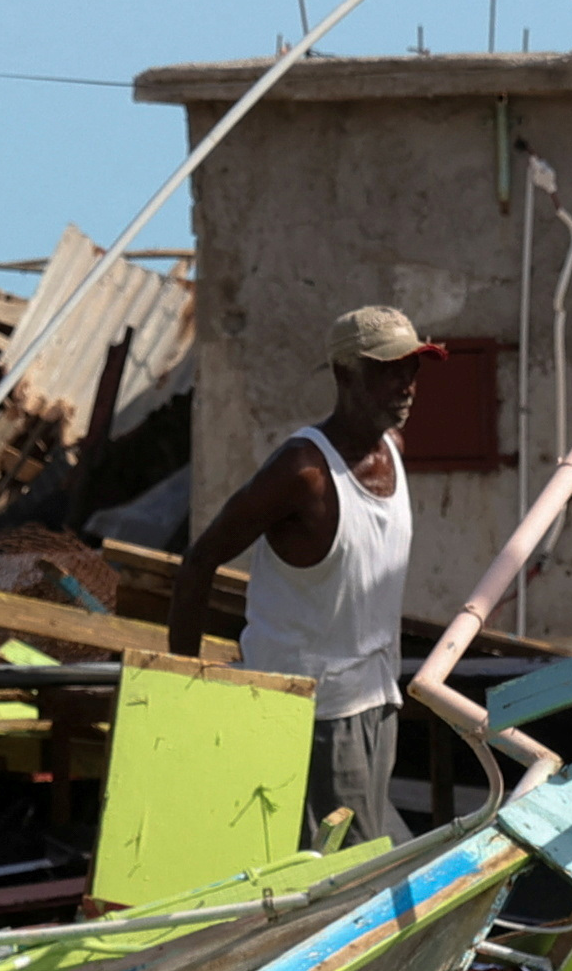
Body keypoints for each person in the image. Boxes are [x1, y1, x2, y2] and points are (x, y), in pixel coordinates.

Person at [167, 303, 428, 846]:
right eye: (388, 369)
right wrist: (183, 695)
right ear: (345, 374)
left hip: (380, 703)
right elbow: (199, 562)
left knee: (362, 864)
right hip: (316, 713)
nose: (406, 384)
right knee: (335, 880)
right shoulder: (304, 473)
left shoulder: (395, 453)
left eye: (413, 367)